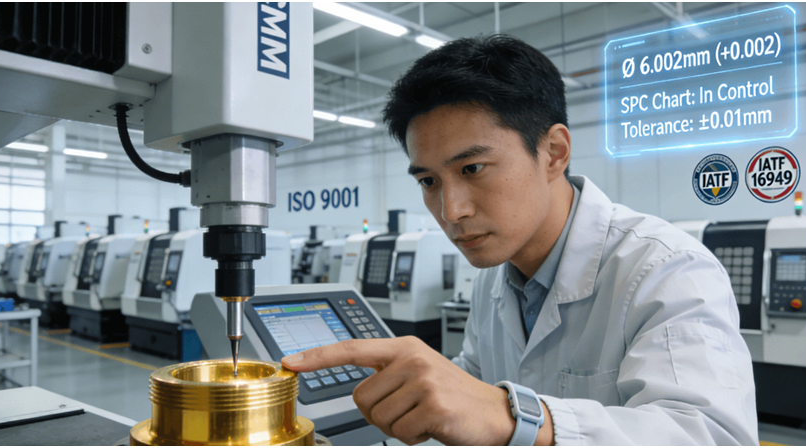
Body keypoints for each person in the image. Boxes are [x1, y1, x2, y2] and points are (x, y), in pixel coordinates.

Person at [282, 35, 758, 445]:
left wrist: (516, 418)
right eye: (428, 181)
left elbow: (711, 433)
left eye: (472, 168)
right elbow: (472, 386)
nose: (451, 211)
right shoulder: (495, 279)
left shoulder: (666, 269)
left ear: (554, 152)